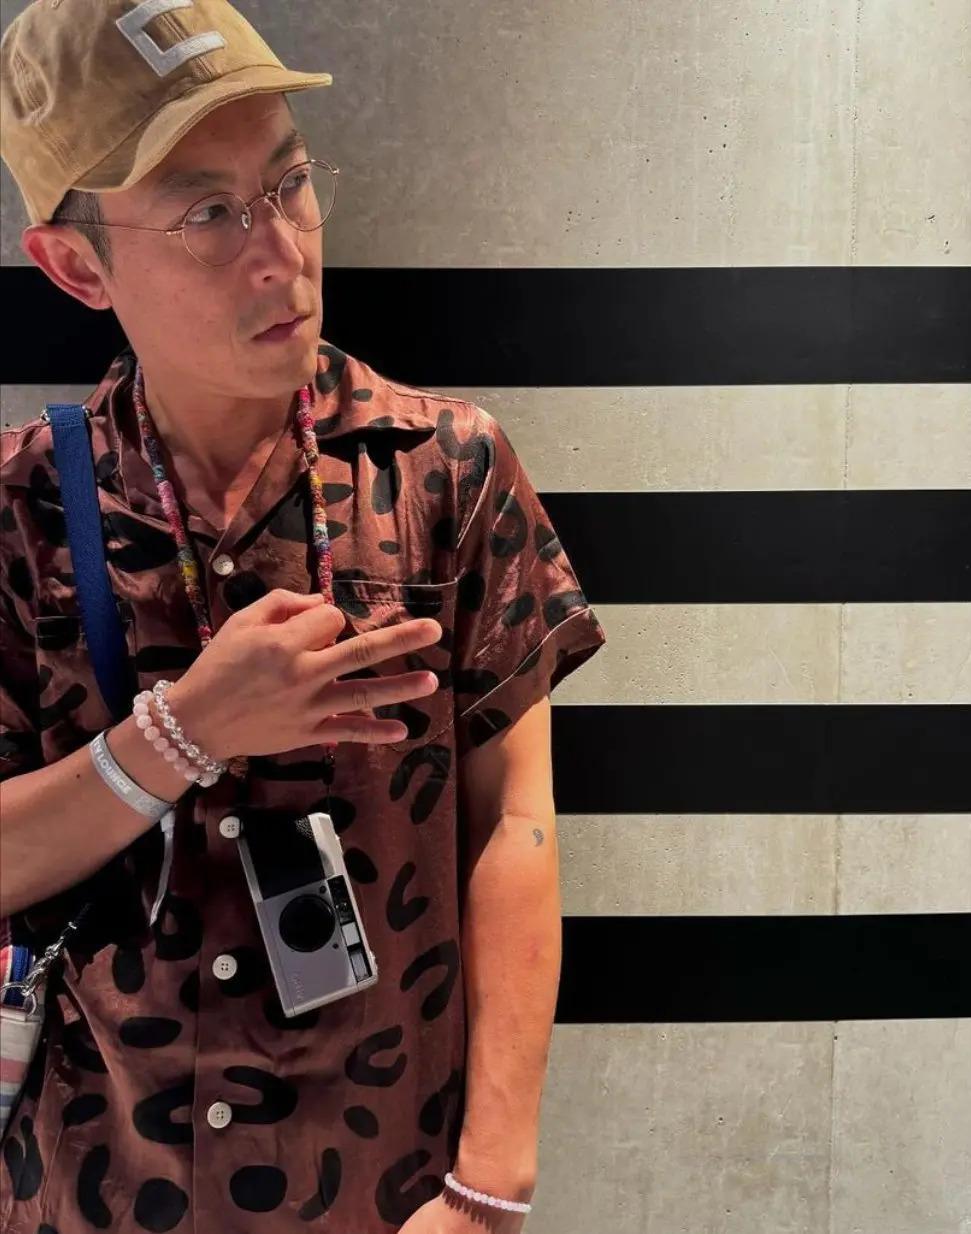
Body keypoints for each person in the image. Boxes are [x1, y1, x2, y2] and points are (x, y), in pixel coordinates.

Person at [0, 0, 607, 1229]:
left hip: (377, 1179)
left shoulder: (442, 471)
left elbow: (514, 823)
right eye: (208, 214)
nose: (279, 250)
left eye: (287, 183)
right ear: (75, 265)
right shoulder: (20, 509)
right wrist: (179, 734)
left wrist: (490, 1183)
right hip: (98, 1180)